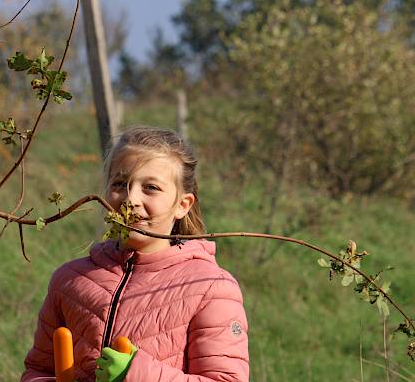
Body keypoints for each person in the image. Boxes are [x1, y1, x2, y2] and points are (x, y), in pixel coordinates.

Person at [22, 127, 248, 381]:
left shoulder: (210, 287)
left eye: (150, 187)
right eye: (120, 184)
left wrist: (136, 375)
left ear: (182, 205)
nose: (131, 199)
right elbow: (38, 370)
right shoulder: (69, 281)